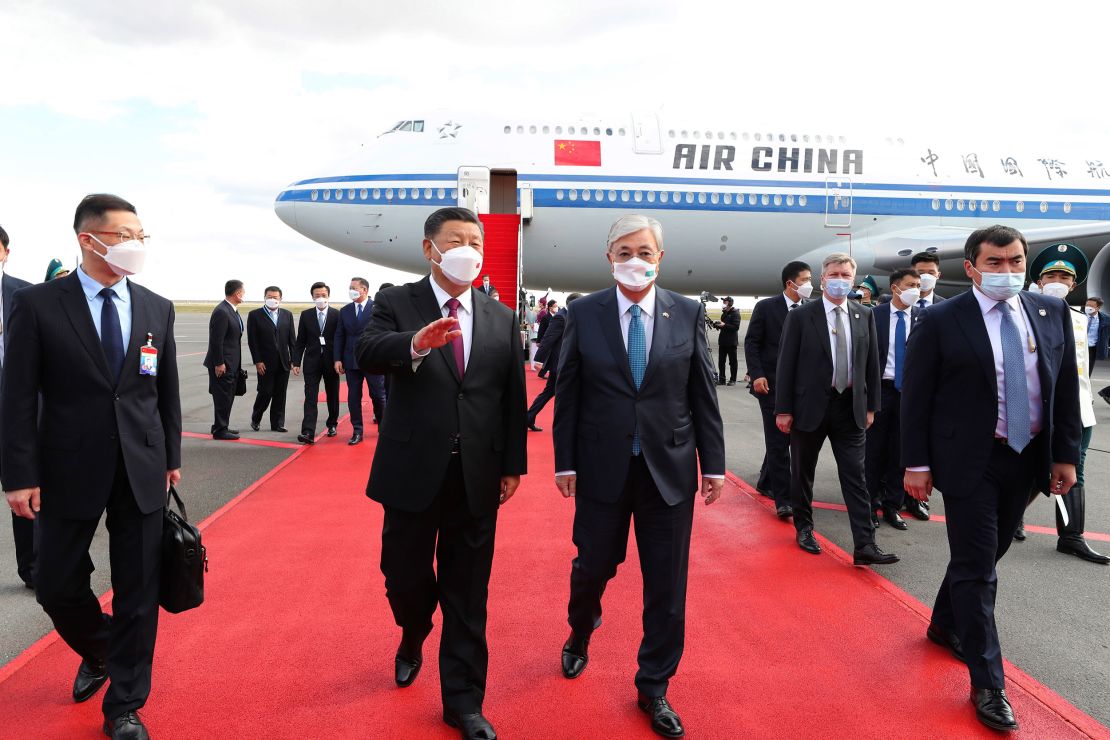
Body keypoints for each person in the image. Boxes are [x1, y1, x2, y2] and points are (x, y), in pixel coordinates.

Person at [2, 194, 181, 740]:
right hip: (65, 467)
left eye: (141, 234)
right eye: (125, 233)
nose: (136, 243)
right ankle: (102, 648)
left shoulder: (156, 305)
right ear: (89, 239)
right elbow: (17, 395)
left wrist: (171, 457)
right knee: (54, 585)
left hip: (141, 466)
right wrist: (18, 475)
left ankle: (125, 706)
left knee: (139, 589)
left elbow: (165, 390)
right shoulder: (38, 305)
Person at [356, 207, 526, 740]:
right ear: (430, 249)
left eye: (475, 240)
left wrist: (512, 464)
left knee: (468, 591)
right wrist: (413, 344)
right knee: (403, 576)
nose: (468, 249)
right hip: (412, 468)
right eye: (456, 240)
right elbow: (365, 352)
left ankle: (464, 703)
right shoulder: (395, 301)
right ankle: (413, 630)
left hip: (476, 473)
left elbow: (509, 397)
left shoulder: (500, 316)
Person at [902, 225, 1080, 732]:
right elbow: (916, 398)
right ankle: (988, 682)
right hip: (968, 460)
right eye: (996, 263)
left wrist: (1065, 456)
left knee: (985, 553)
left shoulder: (1050, 313)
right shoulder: (940, 320)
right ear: (973, 268)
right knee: (980, 570)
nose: (1008, 272)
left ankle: (942, 623)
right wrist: (915, 463)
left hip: (1027, 459)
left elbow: (1062, 386)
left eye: (1016, 262)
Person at [553, 215, 725, 739]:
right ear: (609, 257)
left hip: (668, 470)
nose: (635, 260)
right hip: (603, 468)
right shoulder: (584, 312)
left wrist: (713, 464)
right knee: (593, 567)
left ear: (660, 257)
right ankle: (581, 629)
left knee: (667, 586)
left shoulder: (687, 311)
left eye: (645, 251)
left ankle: (654, 686)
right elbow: (569, 391)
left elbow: (702, 394)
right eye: (625, 251)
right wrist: (565, 460)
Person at [775, 253, 897, 566]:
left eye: (845, 274)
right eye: (834, 274)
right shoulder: (802, 316)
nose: (839, 279)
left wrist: (872, 406)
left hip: (850, 407)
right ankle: (804, 528)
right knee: (803, 472)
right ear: (822, 278)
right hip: (809, 407)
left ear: (853, 280)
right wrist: (783, 409)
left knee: (855, 476)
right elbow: (786, 366)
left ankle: (865, 545)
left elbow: (871, 364)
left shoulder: (862, 314)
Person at [1023, 244, 1107, 564]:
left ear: (1074, 285)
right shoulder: (1026, 311)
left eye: (1064, 276)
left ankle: (1071, 536)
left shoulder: (1079, 318)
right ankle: (1012, 517)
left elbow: (1082, 368)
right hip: (1039, 407)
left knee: (1076, 469)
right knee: (1033, 468)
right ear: (1040, 281)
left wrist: (1084, 407)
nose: (1058, 280)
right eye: (1051, 275)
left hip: (1078, 408)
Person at [745, 261, 811, 518]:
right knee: (778, 442)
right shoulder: (766, 307)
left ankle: (765, 481)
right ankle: (784, 500)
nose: (809, 284)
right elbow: (752, 342)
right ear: (790, 284)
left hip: (801, 388)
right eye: (805, 280)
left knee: (787, 439)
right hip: (770, 385)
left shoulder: (809, 310)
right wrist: (757, 374)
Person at [865, 268, 922, 530]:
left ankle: (892, 506)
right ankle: (868, 504)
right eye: (911, 284)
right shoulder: (872, 315)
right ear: (896, 287)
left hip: (909, 394)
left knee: (901, 452)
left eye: (919, 285)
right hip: (881, 390)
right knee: (873, 451)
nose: (916, 289)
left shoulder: (924, 317)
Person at [1, 225, 34, 589]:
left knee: (25, 491)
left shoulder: (25, 294)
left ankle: (33, 568)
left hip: (17, 410)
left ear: (6, 252)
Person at [335, 277, 386, 445]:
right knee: (353, 396)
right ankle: (357, 431)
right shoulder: (345, 310)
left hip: (372, 358)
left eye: (354, 287)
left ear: (365, 290)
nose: (351, 290)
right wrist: (337, 359)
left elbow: (383, 334)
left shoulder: (377, 308)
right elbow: (339, 335)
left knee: (378, 395)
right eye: (350, 287)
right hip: (350, 360)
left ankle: (383, 427)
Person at [292, 282, 340, 445]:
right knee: (310, 396)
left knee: (332, 395)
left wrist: (340, 360)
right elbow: (300, 341)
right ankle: (308, 431)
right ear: (312, 296)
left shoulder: (336, 314)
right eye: (317, 295)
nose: (320, 298)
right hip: (312, 361)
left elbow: (341, 340)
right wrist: (296, 361)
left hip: (331, 362)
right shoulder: (306, 315)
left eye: (323, 295)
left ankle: (332, 424)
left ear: (328, 296)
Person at [526, 292, 581, 432]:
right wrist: (538, 360)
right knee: (566, 395)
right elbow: (548, 339)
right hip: (560, 364)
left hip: (565, 363)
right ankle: (567, 426)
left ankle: (528, 417)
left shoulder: (571, 316)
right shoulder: (560, 317)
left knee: (549, 392)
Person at [246, 286, 296, 433]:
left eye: (275, 297)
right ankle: (256, 418)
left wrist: (294, 360)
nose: (272, 299)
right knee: (265, 392)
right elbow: (252, 341)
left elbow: (292, 340)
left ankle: (278, 423)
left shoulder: (287, 315)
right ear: (264, 297)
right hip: (265, 363)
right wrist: (257, 360)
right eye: (269, 297)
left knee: (280, 395)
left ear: (281, 299)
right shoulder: (255, 315)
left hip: (283, 362)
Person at [202, 280, 245, 440]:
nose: (244, 295)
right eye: (243, 292)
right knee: (222, 396)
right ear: (237, 294)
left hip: (231, 363)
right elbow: (216, 340)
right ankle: (220, 430)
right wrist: (219, 362)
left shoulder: (231, 310)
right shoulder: (222, 311)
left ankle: (221, 425)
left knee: (227, 395)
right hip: (222, 364)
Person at [714, 296, 741, 385]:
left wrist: (724, 325)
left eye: (725, 302)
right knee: (721, 361)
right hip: (723, 342)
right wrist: (716, 325)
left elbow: (735, 327)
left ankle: (733, 380)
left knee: (732, 362)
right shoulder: (724, 313)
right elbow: (723, 326)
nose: (723, 303)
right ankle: (722, 379)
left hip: (731, 342)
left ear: (729, 303)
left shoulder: (735, 313)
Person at [1085, 297, 1110, 373]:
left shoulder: (1106, 319)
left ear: (1098, 308)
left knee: (1087, 371)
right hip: (1078, 346)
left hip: (1092, 349)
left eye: (1091, 306)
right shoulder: (1079, 316)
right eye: (1087, 305)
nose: (1088, 307)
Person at [536, 299, 558, 379]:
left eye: (557, 306)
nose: (556, 308)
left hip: (555, 341)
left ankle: (543, 373)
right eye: (555, 306)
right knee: (549, 357)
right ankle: (545, 373)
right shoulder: (546, 318)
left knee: (551, 357)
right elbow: (541, 330)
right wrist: (538, 341)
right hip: (547, 341)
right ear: (550, 307)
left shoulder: (557, 316)